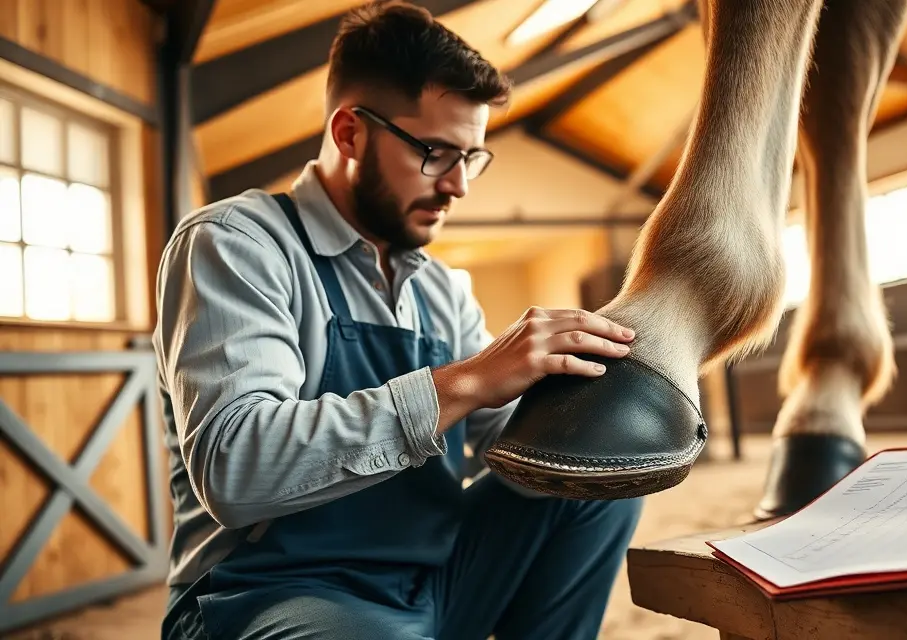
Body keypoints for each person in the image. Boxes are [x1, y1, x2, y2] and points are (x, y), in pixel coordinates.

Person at [153, 2, 644, 638]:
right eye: (436, 152)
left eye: (472, 156)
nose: (459, 185)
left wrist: (601, 398)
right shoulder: (236, 243)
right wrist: (467, 380)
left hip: (431, 582)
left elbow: (507, 444)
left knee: (589, 494)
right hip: (270, 593)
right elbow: (237, 469)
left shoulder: (441, 289)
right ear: (350, 132)